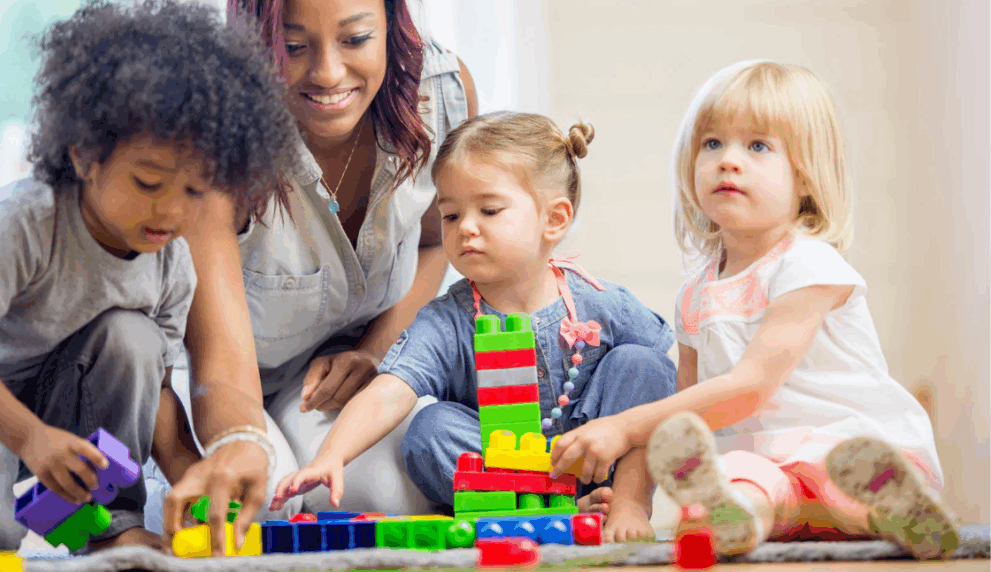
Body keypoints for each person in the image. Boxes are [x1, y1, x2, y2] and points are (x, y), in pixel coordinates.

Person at [548, 60, 960, 559]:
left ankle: (891, 508)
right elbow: (683, 415)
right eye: (712, 143)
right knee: (747, 483)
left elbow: (750, 388)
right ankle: (737, 517)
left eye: (758, 146)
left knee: (837, 485)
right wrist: (629, 500)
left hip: (846, 445)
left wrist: (620, 425)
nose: (728, 161)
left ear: (805, 178)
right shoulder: (696, 292)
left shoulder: (807, 264)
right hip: (764, 460)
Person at [149, 0, 479, 554]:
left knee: (391, 496)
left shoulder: (441, 93)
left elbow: (432, 242)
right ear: (254, 45)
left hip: (341, 368)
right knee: (265, 506)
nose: (328, 73)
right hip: (222, 379)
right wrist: (241, 445)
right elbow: (223, 370)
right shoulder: (210, 135)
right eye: (294, 48)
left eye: (355, 40)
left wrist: (377, 351)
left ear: (394, 29)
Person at [0, 0, 294, 556]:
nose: (169, 211)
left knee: (134, 339)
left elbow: (158, 391)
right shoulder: (28, 223)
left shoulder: (171, 261)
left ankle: (108, 530)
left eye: (194, 192)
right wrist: (28, 437)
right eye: (148, 182)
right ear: (85, 155)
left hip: (62, 413)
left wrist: (192, 468)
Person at [269, 111, 678, 543]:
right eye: (450, 215)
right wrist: (331, 455)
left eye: (489, 209)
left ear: (554, 220)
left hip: (599, 464)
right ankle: (541, 514)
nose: (465, 227)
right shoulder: (447, 320)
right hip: (502, 472)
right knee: (430, 430)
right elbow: (390, 390)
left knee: (643, 364)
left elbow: (667, 379)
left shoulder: (600, 301)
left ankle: (627, 504)